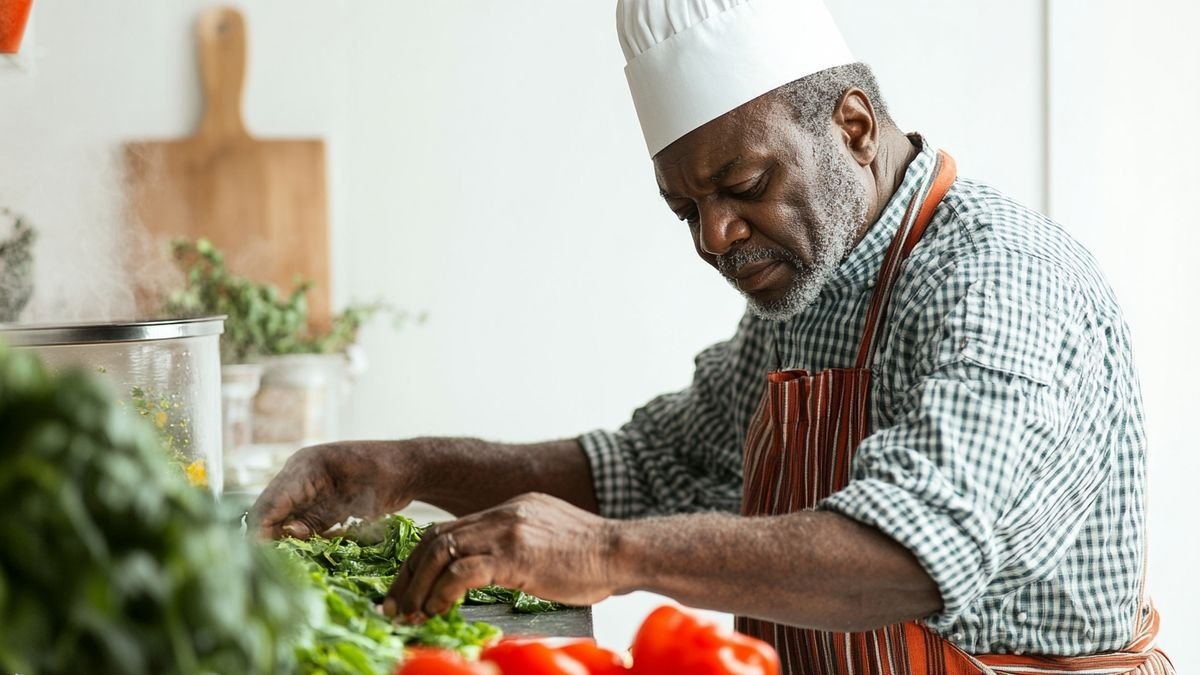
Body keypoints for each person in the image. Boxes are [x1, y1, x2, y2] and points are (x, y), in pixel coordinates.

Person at [253, 0, 1174, 672]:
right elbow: (650, 467)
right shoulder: (817, 286)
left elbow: (914, 557)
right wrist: (404, 467)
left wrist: (607, 554)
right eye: (685, 208)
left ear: (854, 126)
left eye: (743, 184)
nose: (715, 236)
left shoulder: (1003, 283)